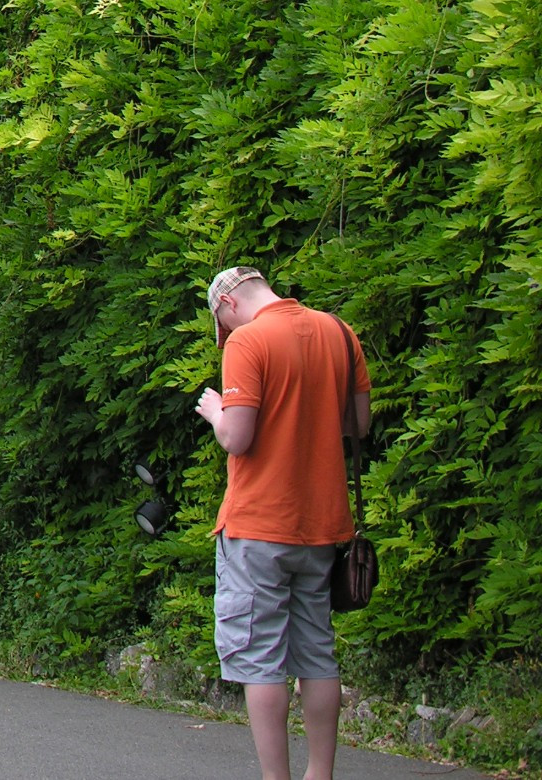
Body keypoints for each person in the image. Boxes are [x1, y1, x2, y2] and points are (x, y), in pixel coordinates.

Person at [195, 265, 372, 780]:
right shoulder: (339, 333)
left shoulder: (247, 343)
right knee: (317, 652)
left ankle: (277, 778)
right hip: (321, 525)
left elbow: (238, 438)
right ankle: (321, 774)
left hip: (257, 524)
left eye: (221, 326)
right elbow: (358, 425)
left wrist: (215, 413)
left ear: (227, 303)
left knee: (258, 657)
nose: (225, 335)